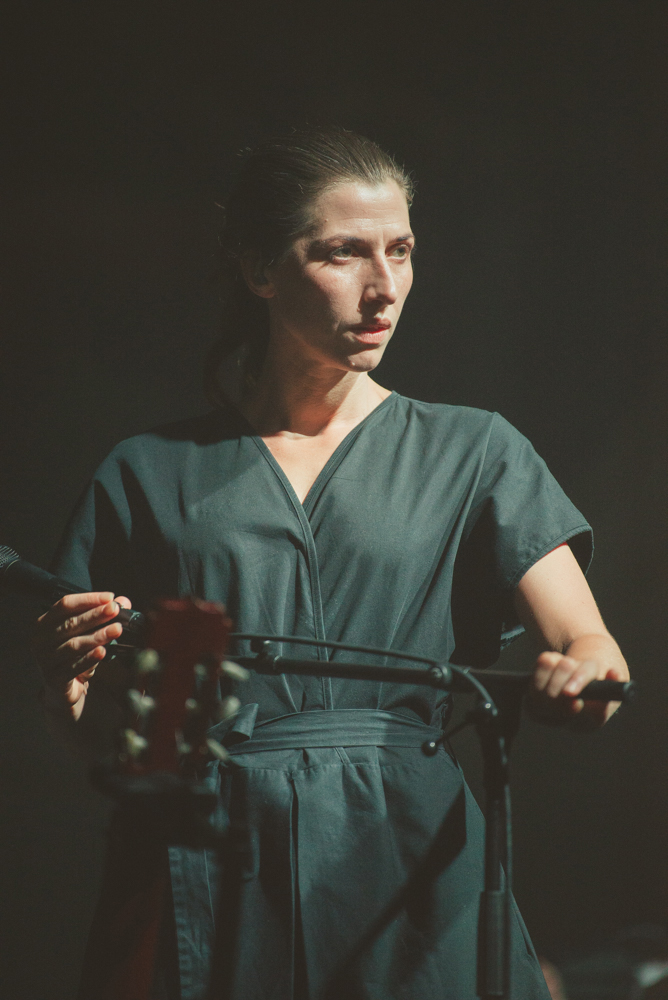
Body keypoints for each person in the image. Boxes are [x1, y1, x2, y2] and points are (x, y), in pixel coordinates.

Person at [33, 127, 630, 1000]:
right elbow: (129, 743)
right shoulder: (148, 473)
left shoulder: (475, 451)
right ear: (259, 267)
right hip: (218, 857)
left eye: (401, 250)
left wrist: (584, 678)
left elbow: (590, 646)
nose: (384, 286)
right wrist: (68, 699)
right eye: (344, 252)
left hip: (406, 858)